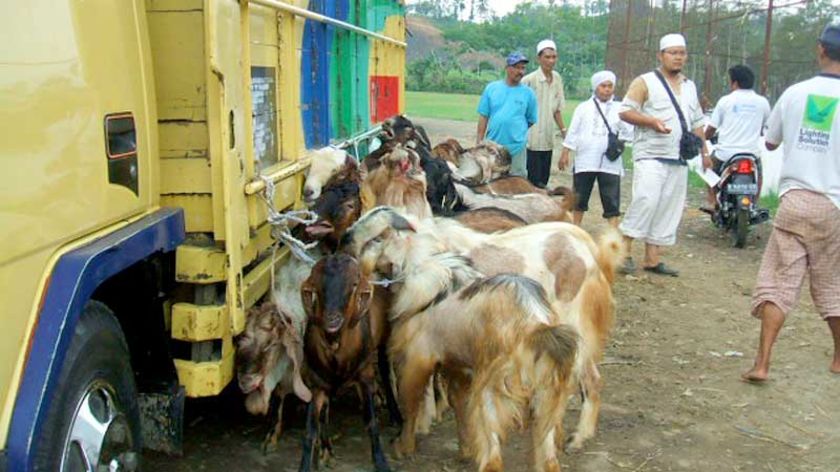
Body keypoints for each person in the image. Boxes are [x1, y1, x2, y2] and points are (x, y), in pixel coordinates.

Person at [742, 23, 840, 383]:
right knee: (832, 283)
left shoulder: (796, 93)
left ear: (820, 50)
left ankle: (763, 363)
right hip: (834, 206)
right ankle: (838, 358)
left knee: (779, 282)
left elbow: (769, 142)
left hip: (795, 201)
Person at [617, 33, 708, 277]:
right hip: (651, 154)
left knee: (669, 206)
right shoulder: (645, 81)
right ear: (661, 55)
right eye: (673, 53)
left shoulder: (689, 86)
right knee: (646, 200)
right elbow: (625, 111)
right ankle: (623, 251)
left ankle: (652, 258)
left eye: (682, 53)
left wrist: (705, 152)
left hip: (678, 157)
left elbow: (698, 120)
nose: (678, 57)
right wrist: (651, 121)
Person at [559, 71, 630, 228]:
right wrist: (565, 152)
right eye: (603, 86)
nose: (607, 89)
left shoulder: (620, 109)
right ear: (595, 88)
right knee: (579, 199)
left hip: (610, 163)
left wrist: (619, 144)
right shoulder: (583, 108)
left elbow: (628, 131)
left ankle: (613, 235)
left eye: (610, 86)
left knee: (611, 201)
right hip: (586, 159)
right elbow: (573, 131)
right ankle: (574, 229)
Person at [703, 65, 771, 208]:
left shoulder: (725, 101)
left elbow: (711, 129)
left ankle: (713, 202)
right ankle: (754, 203)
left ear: (734, 83)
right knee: (758, 176)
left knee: (708, 170)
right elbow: (766, 128)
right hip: (751, 153)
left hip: (725, 154)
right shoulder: (763, 102)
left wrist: (704, 137)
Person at [476, 51, 538, 177]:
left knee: (516, 183)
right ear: (507, 68)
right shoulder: (491, 89)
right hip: (493, 147)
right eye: (516, 67)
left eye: (523, 68)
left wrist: (517, 131)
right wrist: (479, 142)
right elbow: (483, 116)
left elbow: (531, 119)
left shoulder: (528, 93)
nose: (520, 71)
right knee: (492, 181)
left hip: (517, 148)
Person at [522, 39, 567, 188]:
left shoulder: (557, 79)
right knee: (532, 181)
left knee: (544, 178)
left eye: (554, 57)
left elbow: (557, 109)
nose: (551, 60)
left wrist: (563, 130)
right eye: (547, 57)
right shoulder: (529, 81)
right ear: (539, 58)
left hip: (548, 138)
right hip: (531, 138)